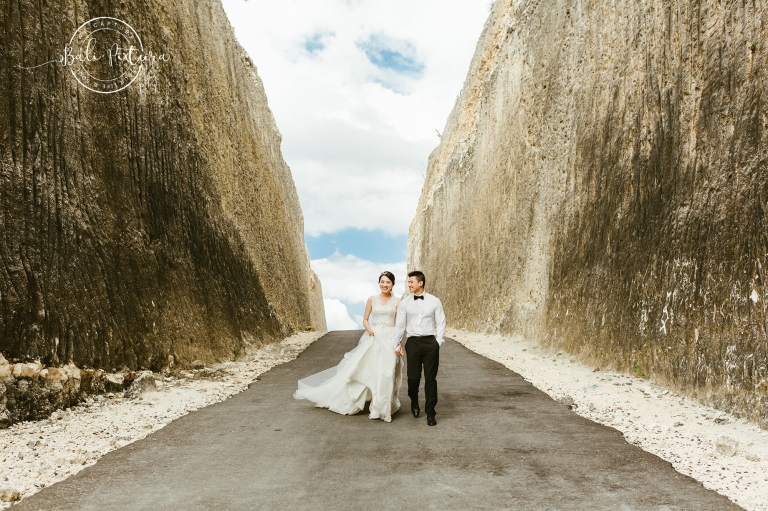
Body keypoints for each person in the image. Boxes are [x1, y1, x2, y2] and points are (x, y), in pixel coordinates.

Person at [294, 271, 404, 422]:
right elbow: (365, 319)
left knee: (388, 372)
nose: (384, 285)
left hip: (390, 339)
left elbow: (399, 324)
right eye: (382, 282)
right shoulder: (372, 300)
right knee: (374, 372)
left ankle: (386, 407)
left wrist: (399, 343)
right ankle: (375, 405)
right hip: (374, 338)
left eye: (388, 282)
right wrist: (369, 329)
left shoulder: (397, 301)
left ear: (392, 284)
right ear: (379, 283)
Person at [392, 270, 446, 426]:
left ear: (420, 283)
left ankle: (431, 413)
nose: (409, 284)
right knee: (413, 377)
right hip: (413, 343)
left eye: (411, 282)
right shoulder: (405, 303)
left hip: (430, 343)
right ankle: (414, 401)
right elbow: (400, 325)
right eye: (408, 282)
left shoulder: (434, 301)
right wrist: (396, 343)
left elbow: (441, 322)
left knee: (431, 379)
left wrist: (438, 342)